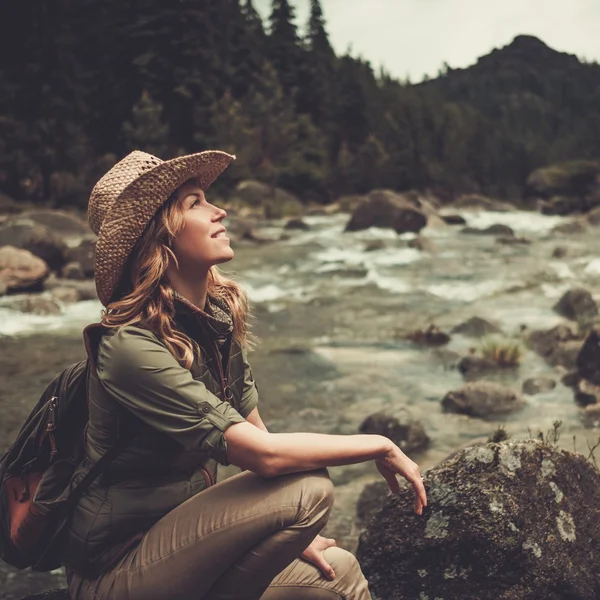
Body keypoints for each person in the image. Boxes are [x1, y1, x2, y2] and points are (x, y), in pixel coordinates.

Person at [62, 150, 428, 600]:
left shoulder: (211, 321)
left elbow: (256, 429)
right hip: (115, 573)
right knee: (308, 487)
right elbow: (265, 457)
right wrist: (379, 444)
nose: (220, 211)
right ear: (158, 236)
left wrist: (294, 537)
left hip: (187, 548)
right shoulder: (129, 347)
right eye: (195, 202)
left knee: (337, 574)